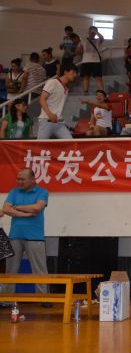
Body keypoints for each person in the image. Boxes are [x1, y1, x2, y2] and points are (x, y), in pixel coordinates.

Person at [0, 169, 50, 306]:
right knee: (11, 270)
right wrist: (25, 214)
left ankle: (44, 298)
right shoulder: (14, 191)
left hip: (35, 237)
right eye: (18, 179)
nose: (19, 182)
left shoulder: (42, 192)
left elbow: (37, 208)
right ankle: (6, 299)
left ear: (33, 179)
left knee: (39, 269)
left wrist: (16, 207)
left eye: (23, 179)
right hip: (15, 236)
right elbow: (5, 209)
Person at [37, 64, 78, 139]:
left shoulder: (67, 88)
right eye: (73, 72)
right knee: (40, 145)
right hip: (46, 120)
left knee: (70, 143)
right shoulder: (52, 82)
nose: (75, 75)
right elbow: (42, 99)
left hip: (59, 123)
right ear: (65, 72)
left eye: (76, 73)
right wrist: (50, 114)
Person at [79, 25, 104, 95]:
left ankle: (102, 93)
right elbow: (79, 50)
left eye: (94, 31)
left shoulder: (98, 40)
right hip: (86, 61)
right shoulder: (83, 40)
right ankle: (85, 92)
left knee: (98, 78)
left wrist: (96, 32)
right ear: (88, 32)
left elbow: (102, 38)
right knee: (85, 77)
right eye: (91, 31)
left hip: (96, 61)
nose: (92, 32)